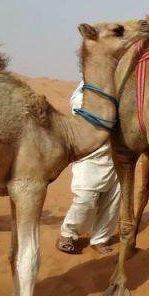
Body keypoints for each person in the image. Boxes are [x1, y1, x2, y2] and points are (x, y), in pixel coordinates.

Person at [55, 81, 120, 254]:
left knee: (113, 202)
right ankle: (68, 234)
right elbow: (78, 107)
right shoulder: (85, 89)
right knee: (85, 198)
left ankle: (100, 238)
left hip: (115, 155)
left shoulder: (120, 83)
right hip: (88, 154)